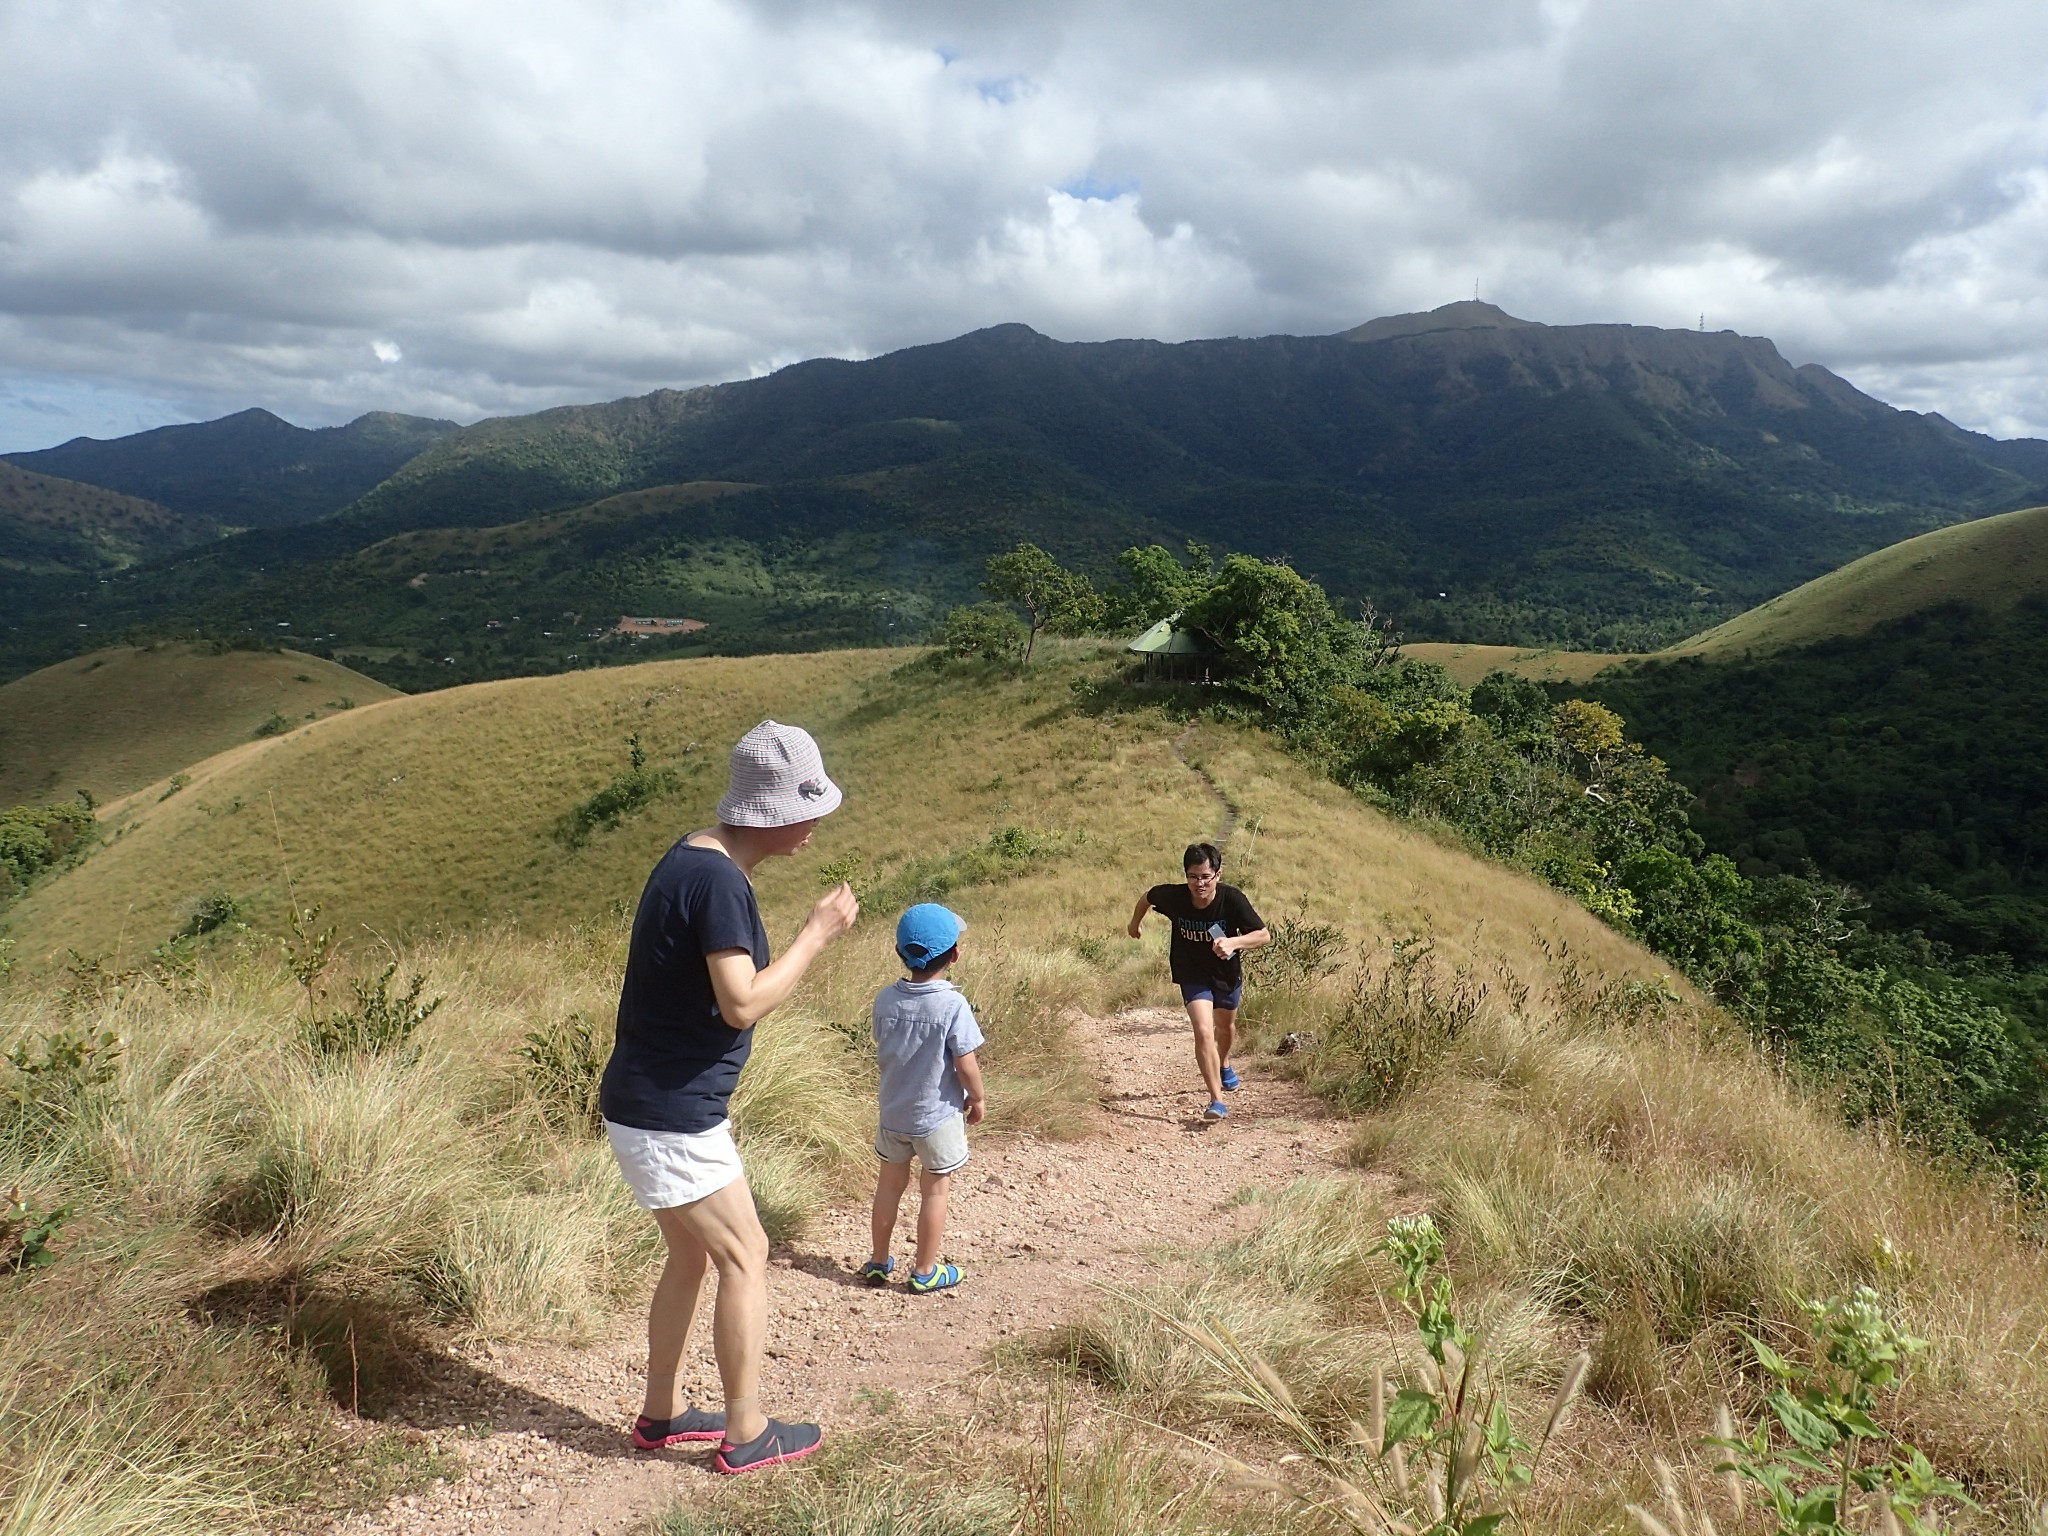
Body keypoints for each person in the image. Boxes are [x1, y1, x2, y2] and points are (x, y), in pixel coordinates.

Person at [599, 719, 858, 1476]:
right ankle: (746, 1431)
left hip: (647, 1102)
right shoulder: (718, 882)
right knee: (747, 1254)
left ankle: (662, 1413)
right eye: (812, 807)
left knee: (690, 1255)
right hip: (672, 1113)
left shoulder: (693, 854)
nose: (819, 822)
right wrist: (815, 935)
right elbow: (740, 1002)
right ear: (776, 812)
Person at [860, 903, 986, 1294]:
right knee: (934, 1190)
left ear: (900, 952)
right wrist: (977, 1098)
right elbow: (965, 1063)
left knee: (889, 1187)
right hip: (936, 1117)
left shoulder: (885, 1000)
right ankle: (925, 1271)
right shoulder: (952, 1004)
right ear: (955, 954)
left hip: (893, 1114)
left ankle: (879, 1262)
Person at [1126, 842, 1270, 1121]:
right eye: (1193, 877)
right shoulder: (1174, 896)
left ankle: (1224, 1062)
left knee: (1225, 1027)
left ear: (1218, 874)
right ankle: (1216, 1100)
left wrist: (1233, 942)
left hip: (1225, 973)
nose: (1199, 883)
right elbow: (1147, 897)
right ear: (1186, 876)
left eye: (1205, 876)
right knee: (1204, 1030)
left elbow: (1263, 935)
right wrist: (1135, 924)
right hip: (1191, 973)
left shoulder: (1232, 899)